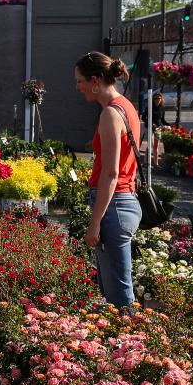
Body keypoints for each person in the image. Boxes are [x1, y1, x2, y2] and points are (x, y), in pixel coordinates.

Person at [75, 52, 143, 308]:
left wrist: (94, 224)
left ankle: (133, 343)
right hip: (125, 201)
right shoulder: (126, 107)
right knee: (114, 287)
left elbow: (111, 173)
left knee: (119, 295)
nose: (77, 87)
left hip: (113, 206)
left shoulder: (110, 115)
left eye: (80, 81)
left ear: (95, 80)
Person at [149, 90, 167, 165]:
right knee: (150, 145)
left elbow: (163, 120)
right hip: (150, 128)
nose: (157, 100)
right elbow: (144, 117)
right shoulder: (150, 107)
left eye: (159, 98)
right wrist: (151, 123)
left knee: (156, 146)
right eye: (155, 98)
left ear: (161, 99)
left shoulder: (162, 108)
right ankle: (147, 162)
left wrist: (169, 125)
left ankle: (156, 164)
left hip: (158, 128)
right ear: (153, 99)